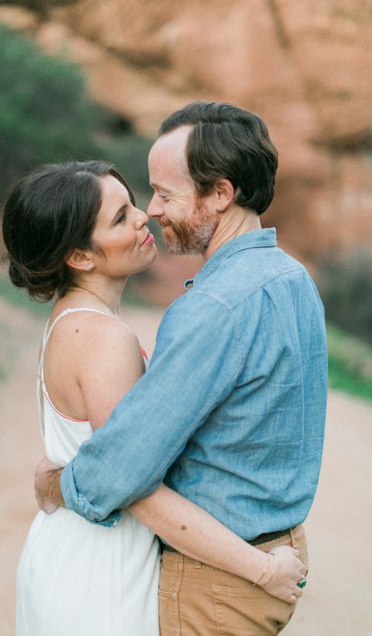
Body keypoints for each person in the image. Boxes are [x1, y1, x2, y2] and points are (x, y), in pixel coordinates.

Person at [33, 103, 327, 634]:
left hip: (215, 580)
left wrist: (56, 484)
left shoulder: (213, 307)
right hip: (274, 549)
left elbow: (119, 472)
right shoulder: (293, 278)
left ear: (220, 193)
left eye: (165, 194)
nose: (154, 210)